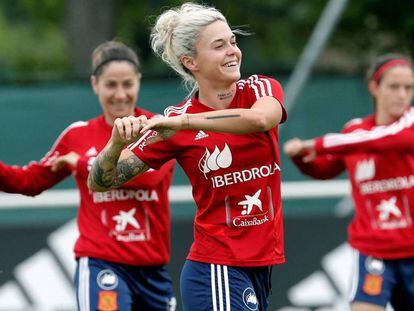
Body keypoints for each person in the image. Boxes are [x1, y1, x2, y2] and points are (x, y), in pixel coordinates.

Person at [88, 3, 287, 310]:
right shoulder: (174, 123)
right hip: (217, 268)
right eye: (219, 46)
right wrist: (114, 145)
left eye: (232, 41)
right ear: (190, 61)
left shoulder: (260, 89)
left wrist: (185, 122)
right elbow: (101, 182)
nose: (232, 51)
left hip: (259, 265)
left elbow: (260, 120)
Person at [0, 41, 177, 311]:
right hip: (101, 264)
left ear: (139, 82)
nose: (120, 94)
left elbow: (146, 177)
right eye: (110, 85)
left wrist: (82, 164)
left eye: (127, 84)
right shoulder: (77, 135)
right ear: (95, 84)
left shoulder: (157, 128)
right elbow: (29, 181)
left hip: (153, 270)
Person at [283, 53, 414, 311]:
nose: (402, 95)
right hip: (375, 250)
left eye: (408, 88)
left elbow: (377, 139)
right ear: (374, 87)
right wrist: (302, 158)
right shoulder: (354, 131)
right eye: (394, 87)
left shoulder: (408, 125)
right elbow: (325, 169)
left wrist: (313, 144)